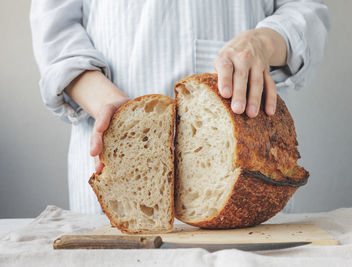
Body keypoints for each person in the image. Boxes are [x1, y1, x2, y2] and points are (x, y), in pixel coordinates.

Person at [30, 0, 329, 214]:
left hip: (250, 174)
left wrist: (264, 42)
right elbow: (56, 34)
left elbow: (305, 9)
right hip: (114, 159)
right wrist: (109, 106)